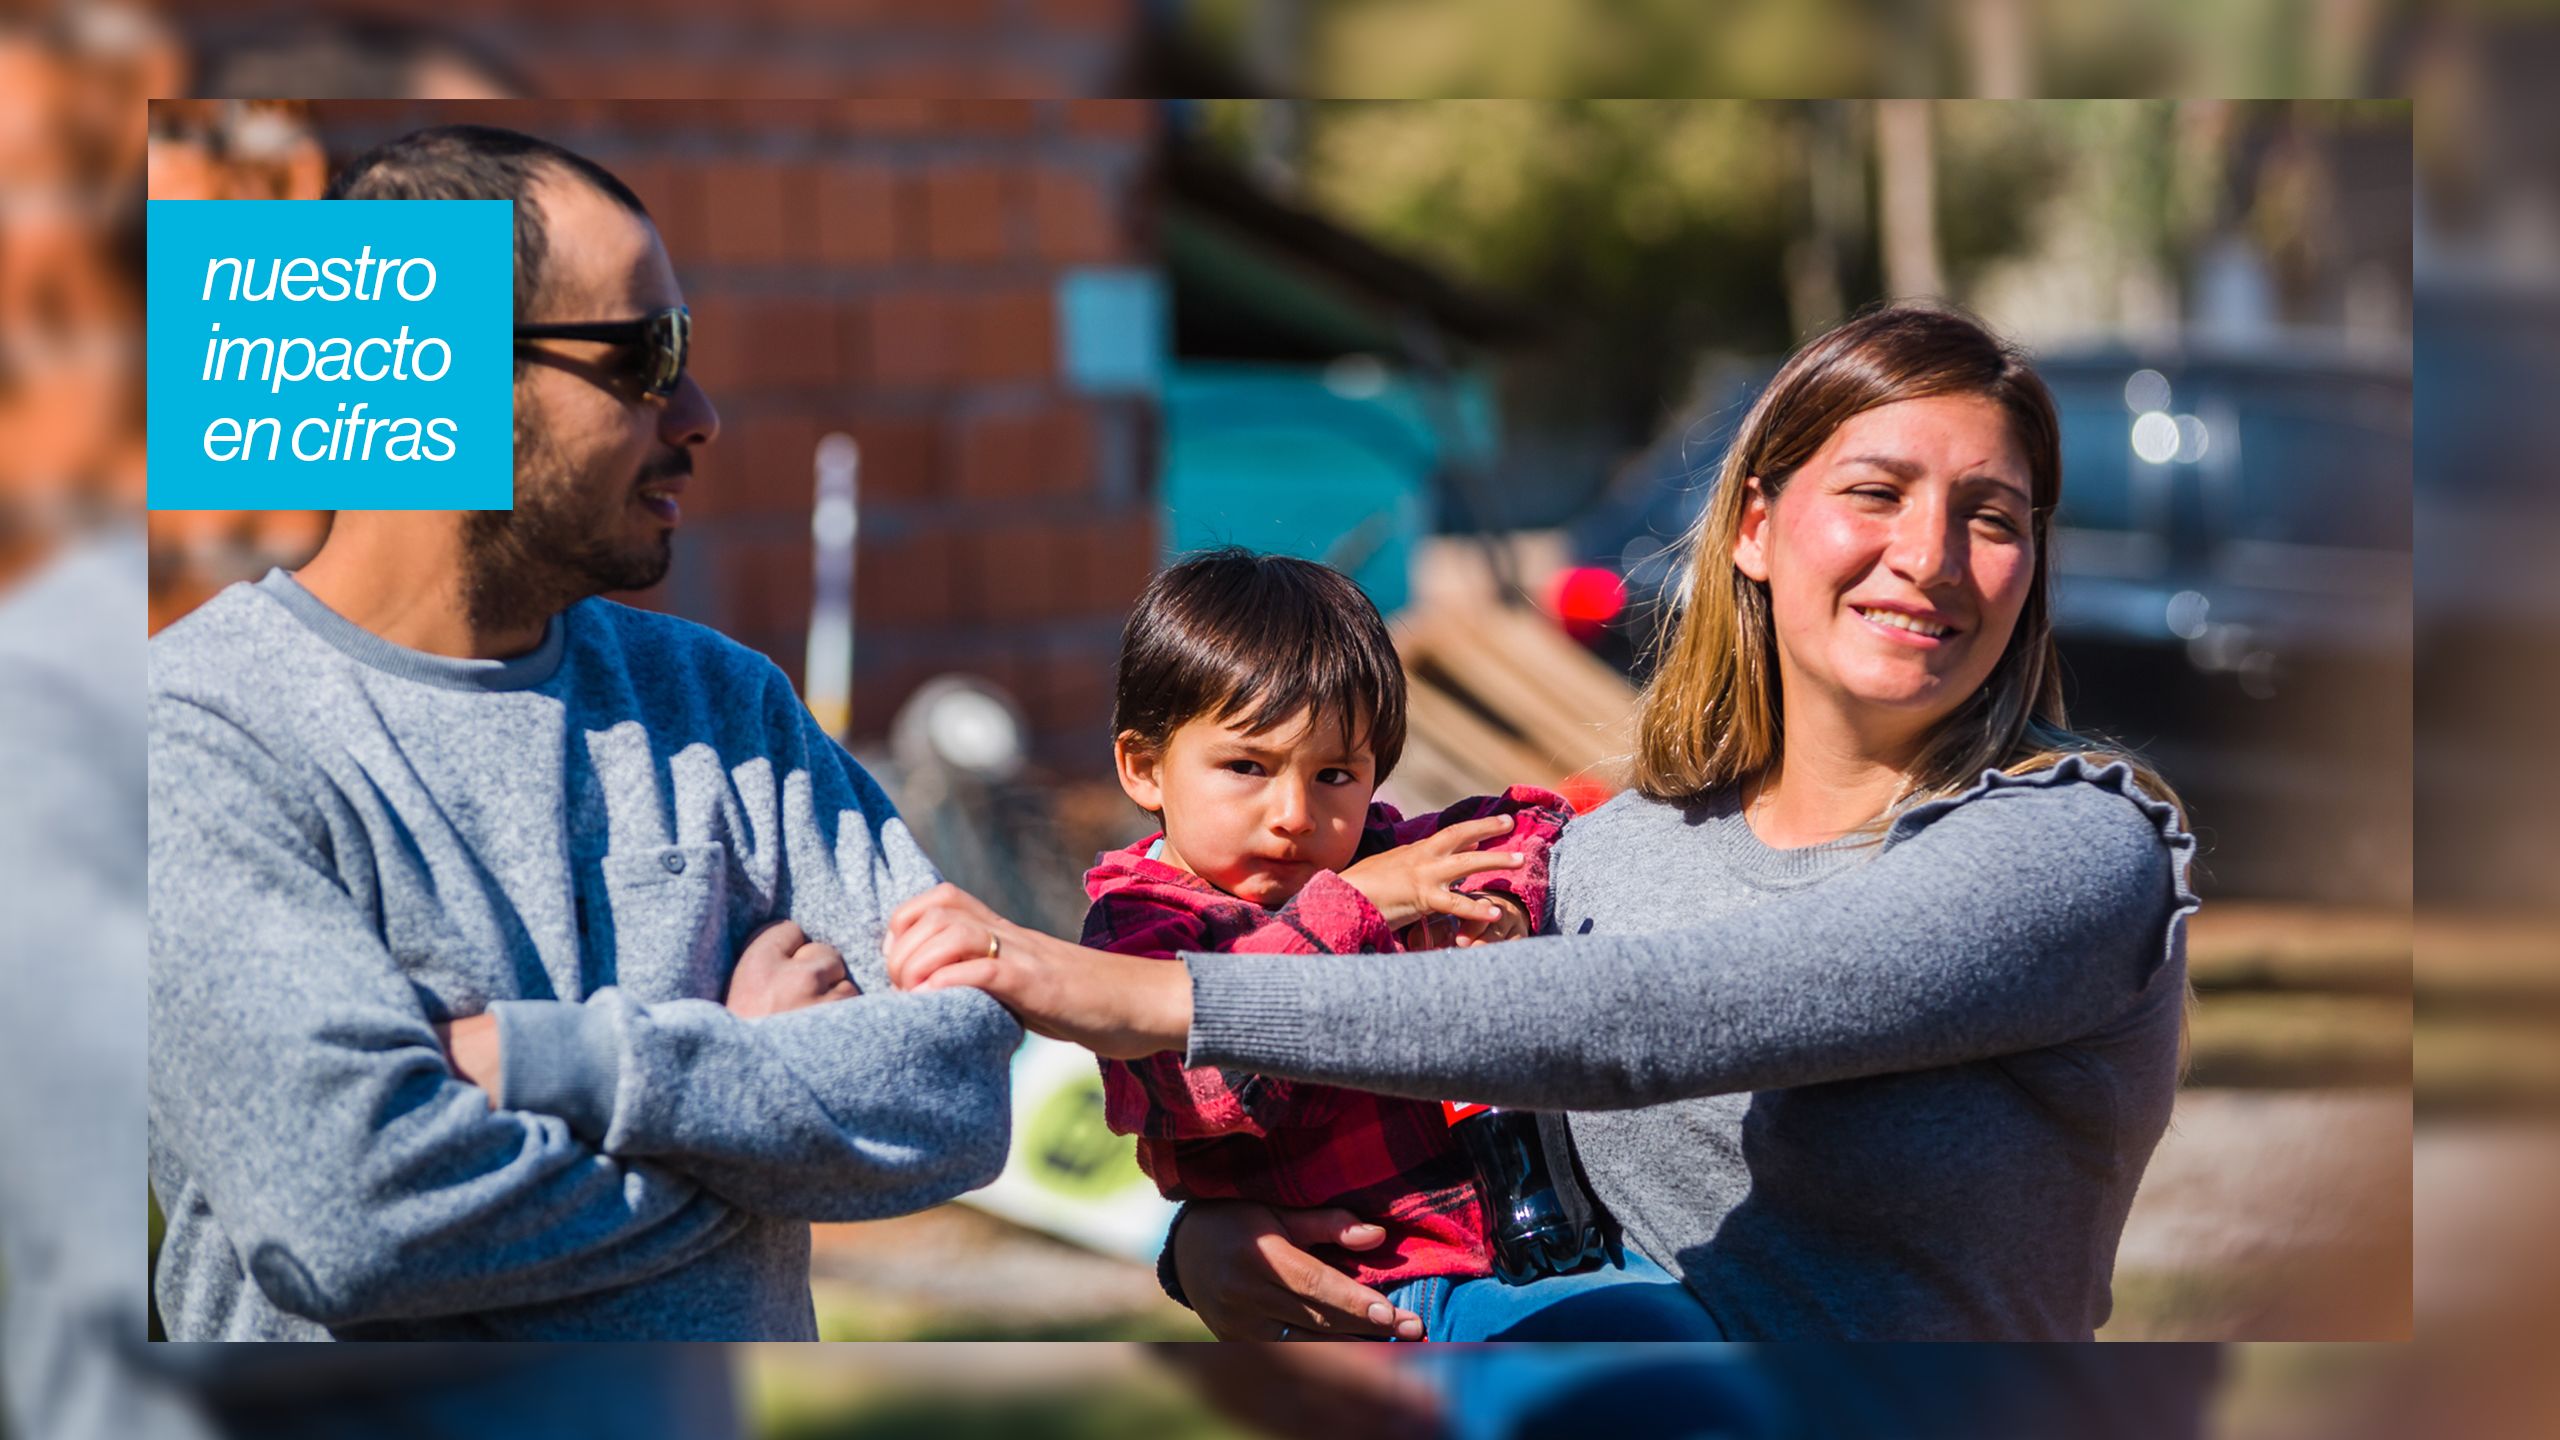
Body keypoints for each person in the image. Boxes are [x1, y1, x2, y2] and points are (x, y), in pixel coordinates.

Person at [885, 302, 2201, 1342]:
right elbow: (1399, 1072)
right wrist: (1206, 1249)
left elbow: (1645, 1017)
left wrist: (1141, 994)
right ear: (1753, 527)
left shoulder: (2075, 846)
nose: (1929, 554)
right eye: (1876, 492)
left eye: (1992, 517)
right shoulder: (1619, 848)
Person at [146, 124, 1019, 1342]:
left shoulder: (727, 707)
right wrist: (742, 1094)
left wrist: (587, 1073)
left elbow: (958, 1089)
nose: (701, 413)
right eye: (644, 356)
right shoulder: (200, 736)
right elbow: (348, 1218)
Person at [1082, 548, 1715, 1342]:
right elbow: (1204, 1089)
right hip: (1373, 1293)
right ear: (1145, 768)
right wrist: (1356, 903)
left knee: (1685, 1333)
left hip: (1521, 1248)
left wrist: (1500, 905)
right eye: (1247, 766)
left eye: (1335, 775)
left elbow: (1526, 825)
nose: (1294, 814)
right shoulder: (1143, 925)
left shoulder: (1371, 853)